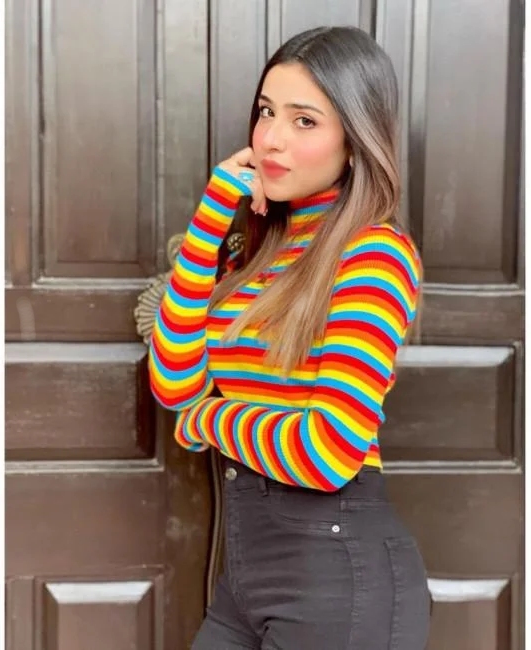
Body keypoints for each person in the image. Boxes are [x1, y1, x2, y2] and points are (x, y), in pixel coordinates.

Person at [149, 25, 430, 650]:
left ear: (355, 142)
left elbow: (327, 451)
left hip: (338, 579)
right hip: (248, 577)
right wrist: (209, 220)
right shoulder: (255, 257)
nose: (272, 138)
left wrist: (209, 421)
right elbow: (174, 385)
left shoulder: (372, 256)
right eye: (266, 112)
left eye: (305, 121)